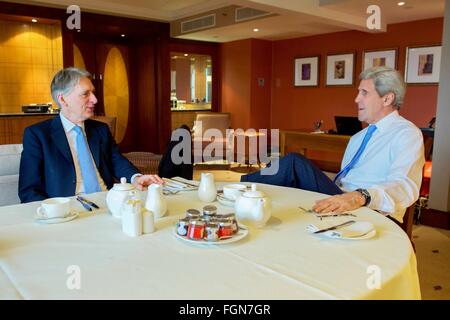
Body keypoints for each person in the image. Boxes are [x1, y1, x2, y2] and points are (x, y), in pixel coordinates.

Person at [241, 66, 425, 223]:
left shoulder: (406, 134)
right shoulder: (358, 137)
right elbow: (344, 180)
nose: (356, 99)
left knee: (294, 164)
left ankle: (237, 188)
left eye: (364, 93)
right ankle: (246, 200)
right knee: (285, 181)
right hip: (340, 195)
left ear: (387, 99)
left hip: (370, 209)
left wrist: (360, 196)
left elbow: (404, 186)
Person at [19, 67, 164, 203]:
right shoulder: (38, 135)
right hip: (68, 209)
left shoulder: (100, 130)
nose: (95, 100)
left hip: (107, 201)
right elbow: (29, 190)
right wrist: (52, 214)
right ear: (62, 99)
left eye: (93, 93)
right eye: (85, 94)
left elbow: (117, 162)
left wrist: (136, 178)